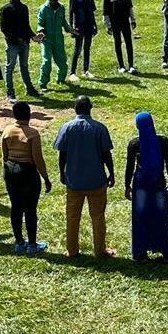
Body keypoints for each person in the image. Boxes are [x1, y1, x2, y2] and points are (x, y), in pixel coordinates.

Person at [54, 96, 116, 258]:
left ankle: (72, 250)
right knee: (98, 216)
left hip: (74, 181)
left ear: (75, 108)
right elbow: (106, 154)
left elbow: (63, 154)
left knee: (72, 217)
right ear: (91, 108)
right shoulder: (99, 128)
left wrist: (62, 173)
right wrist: (112, 173)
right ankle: (100, 250)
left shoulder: (67, 127)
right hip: (96, 181)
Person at [125, 112, 168, 262]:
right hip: (158, 181)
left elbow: (130, 167)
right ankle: (166, 252)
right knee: (161, 215)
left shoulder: (135, 144)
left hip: (140, 183)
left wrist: (127, 186)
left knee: (140, 216)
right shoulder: (163, 142)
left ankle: (140, 253)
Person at [1, 101, 51, 254]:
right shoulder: (32, 133)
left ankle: (19, 242)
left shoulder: (7, 131)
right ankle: (32, 245)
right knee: (30, 209)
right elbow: (37, 158)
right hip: (27, 173)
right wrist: (45, 178)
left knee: (15, 207)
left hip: (11, 171)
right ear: (29, 115)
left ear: (14, 115)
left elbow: (4, 155)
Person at [0, 0, 43, 102]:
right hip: (13, 44)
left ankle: (29, 89)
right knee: (10, 67)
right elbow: (4, 28)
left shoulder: (23, 8)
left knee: (24, 66)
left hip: (24, 42)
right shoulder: (5, 9)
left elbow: (26, 26)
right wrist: (15, 39)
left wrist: (33, 36)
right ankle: (10, 92)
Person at [36, 0, 72, 90]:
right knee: (46, 62)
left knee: (62, 62)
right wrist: (41, 31)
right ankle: (43, 83)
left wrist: (70, 29)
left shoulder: (61, 8)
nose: (53, 0)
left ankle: (60, 79)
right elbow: (40, 23)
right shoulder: (43, 9)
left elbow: (63, 22)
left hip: (58, 40)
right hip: (47, 40)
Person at [103, 0, 137, 74]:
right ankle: (121, 65)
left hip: (125, 21)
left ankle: (131, 65)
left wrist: (133, 19)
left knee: (128, 42)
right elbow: (106, 11)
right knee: (117, 43)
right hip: (114, 23)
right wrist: (108, 25)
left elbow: (129, 6)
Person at [68, 0, 98, 81]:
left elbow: (91, 11)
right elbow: (71, 13)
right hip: (79, 27)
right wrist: (71, 28)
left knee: (87, 48)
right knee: (77, 49)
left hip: (89, 26)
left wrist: (95, 25)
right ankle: (72, 72)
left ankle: (86, 70)